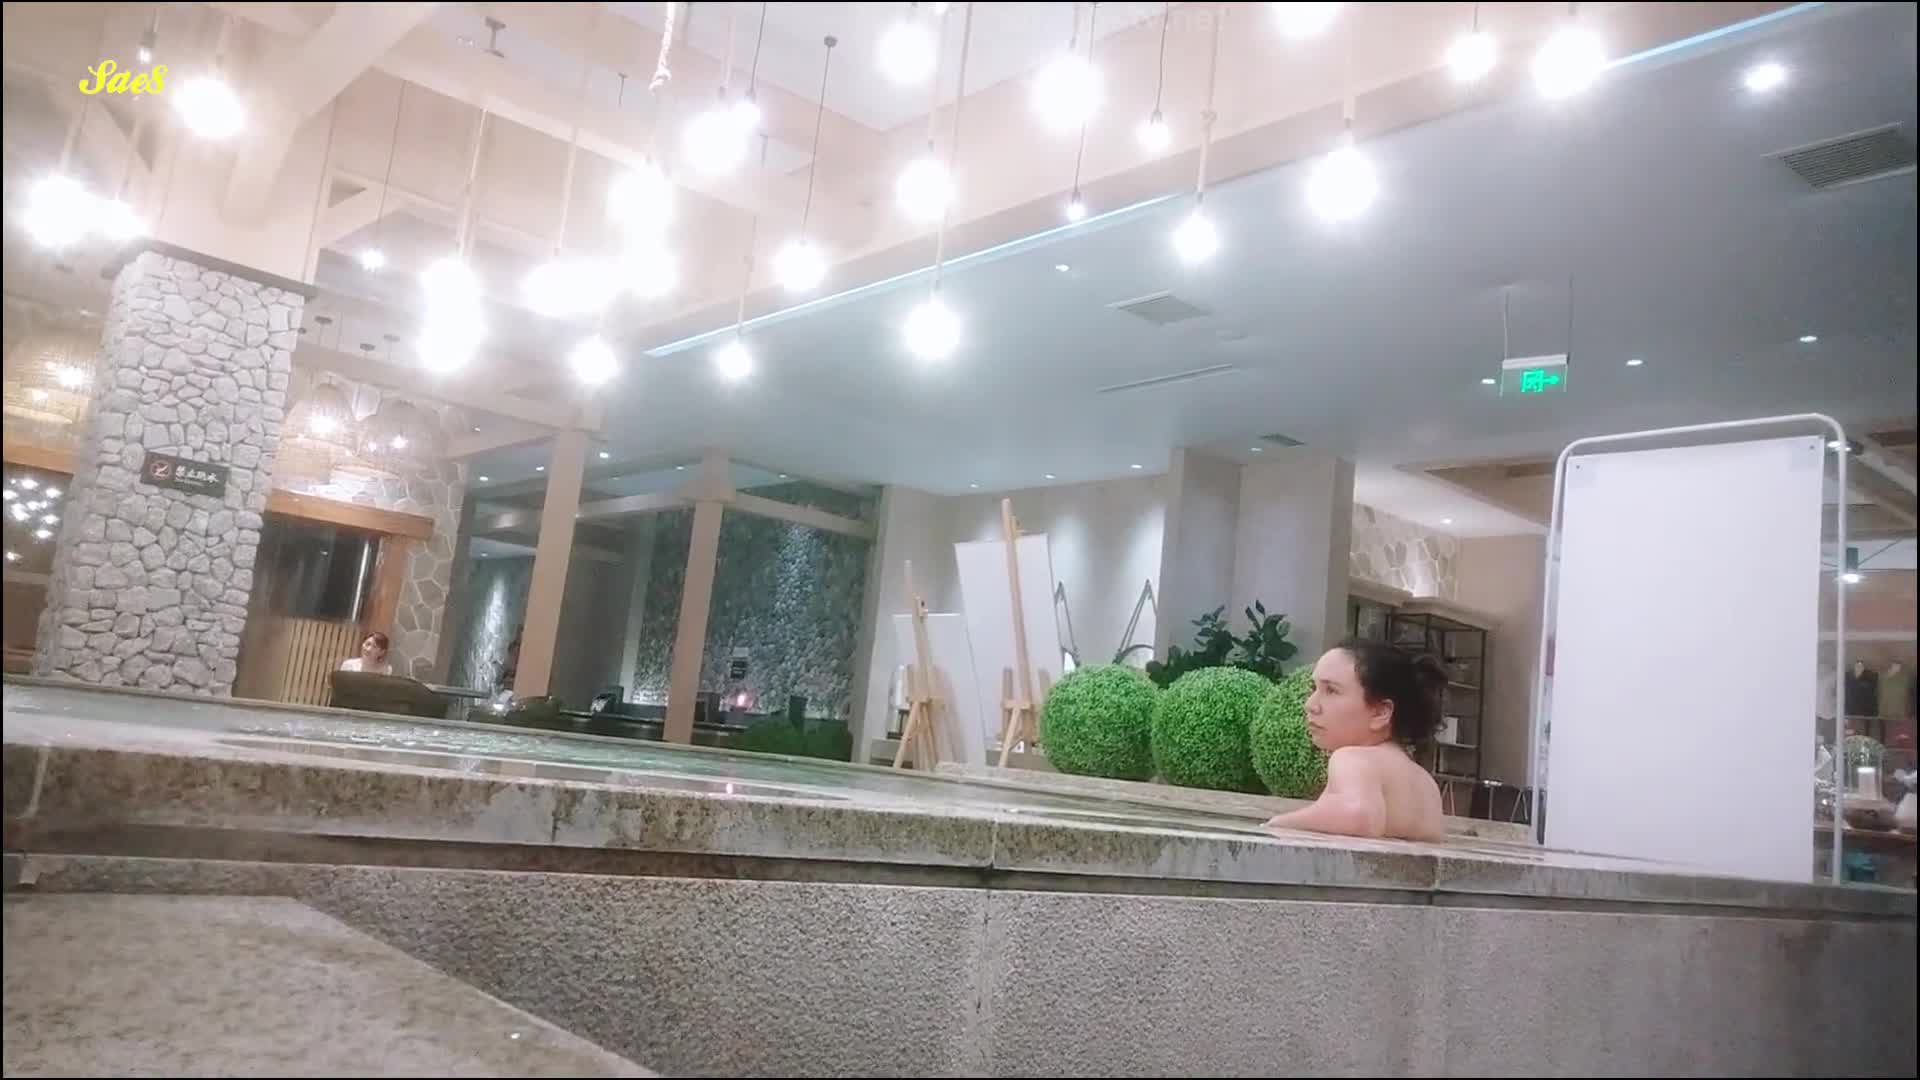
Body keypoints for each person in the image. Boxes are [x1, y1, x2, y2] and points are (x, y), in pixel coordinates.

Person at [1263, 640, 1446, 843]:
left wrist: (1279, 823)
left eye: (1331, 690)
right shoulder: (1425, 782)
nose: (1310, 704)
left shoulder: (1354, 759)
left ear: (1380, 713)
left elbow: (1358, 815)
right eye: (1313, 688)